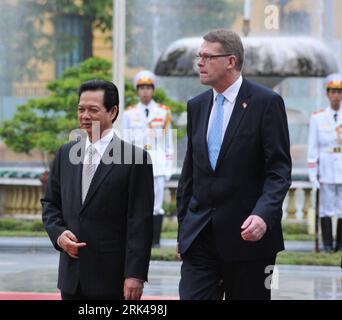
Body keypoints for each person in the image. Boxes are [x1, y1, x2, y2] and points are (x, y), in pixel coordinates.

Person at [176, 29, 291, 300]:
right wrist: (184, 229)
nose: (200, 62)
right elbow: (190, 173)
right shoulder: (197, 106)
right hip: (200, 236)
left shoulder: (266, 103)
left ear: (230, 61)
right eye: (199, 56)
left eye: (207, 56)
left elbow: (279, 171)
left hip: (249, 238)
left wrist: (263, 214)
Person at [41, 79, 154, 300]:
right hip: (71, 277)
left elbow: (140, 222)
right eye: (81, 109)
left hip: (112, 279)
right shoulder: (66, 154)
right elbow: (50, 204)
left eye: (93, 110)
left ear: (113, 112)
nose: (85, 116)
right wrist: (58, 235)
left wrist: (135, 275)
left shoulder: (135, 159)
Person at [124, 70, 174, 248]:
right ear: (137, 90)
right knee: (135, 203)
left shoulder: (163, 112)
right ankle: (139, 239)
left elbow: (169, 142)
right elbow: (126, 141)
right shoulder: (129, 113)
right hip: (137, 163)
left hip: (158, 164)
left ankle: (155, 241)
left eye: (148, 87)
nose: (145, 91)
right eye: (142, 88)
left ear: (153, 90)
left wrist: (169, 167)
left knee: (157, 205)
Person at [308, 73, 342, 252]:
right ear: (328, 94)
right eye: (333, 91)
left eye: (339, 92)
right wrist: (313, 174)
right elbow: (312, 149)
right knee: (326, 209)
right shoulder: (318, 117)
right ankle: (327, 244)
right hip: (326, 169)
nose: (336, 95)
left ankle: (340, 245)